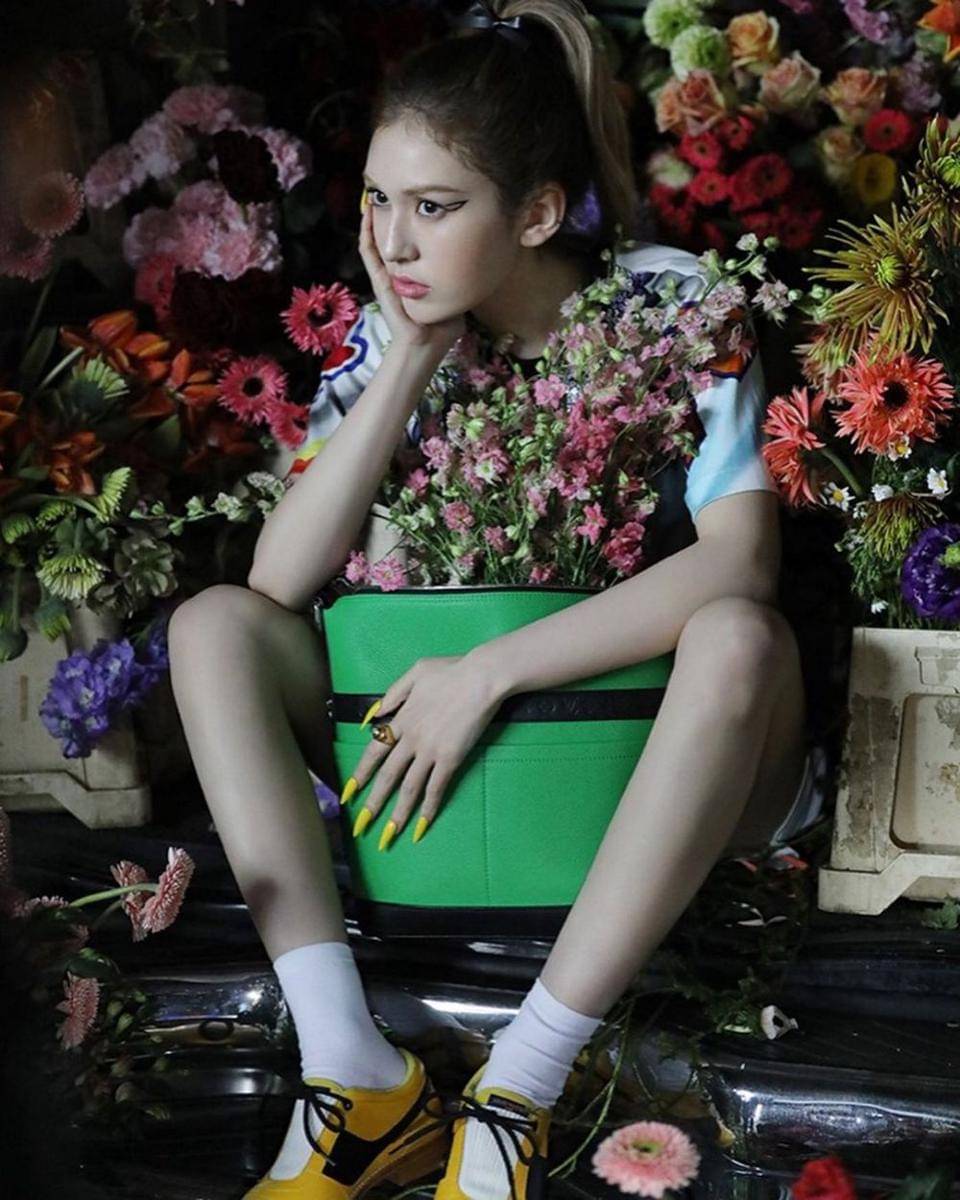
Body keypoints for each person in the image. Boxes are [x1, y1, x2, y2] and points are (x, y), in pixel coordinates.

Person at [167, 3, 825, 1199]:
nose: (393, 241)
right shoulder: (386, 335)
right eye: (378, 200)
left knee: (738, 635)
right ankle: (350, 1069)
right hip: (483, 783)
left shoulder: (673, 306)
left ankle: (519, 1085)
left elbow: (741, 565)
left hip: (664, 759)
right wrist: (411, 359)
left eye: (434, 206)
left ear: (535, 213)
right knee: (213, 627)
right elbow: (275, 583)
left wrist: (490, 671)